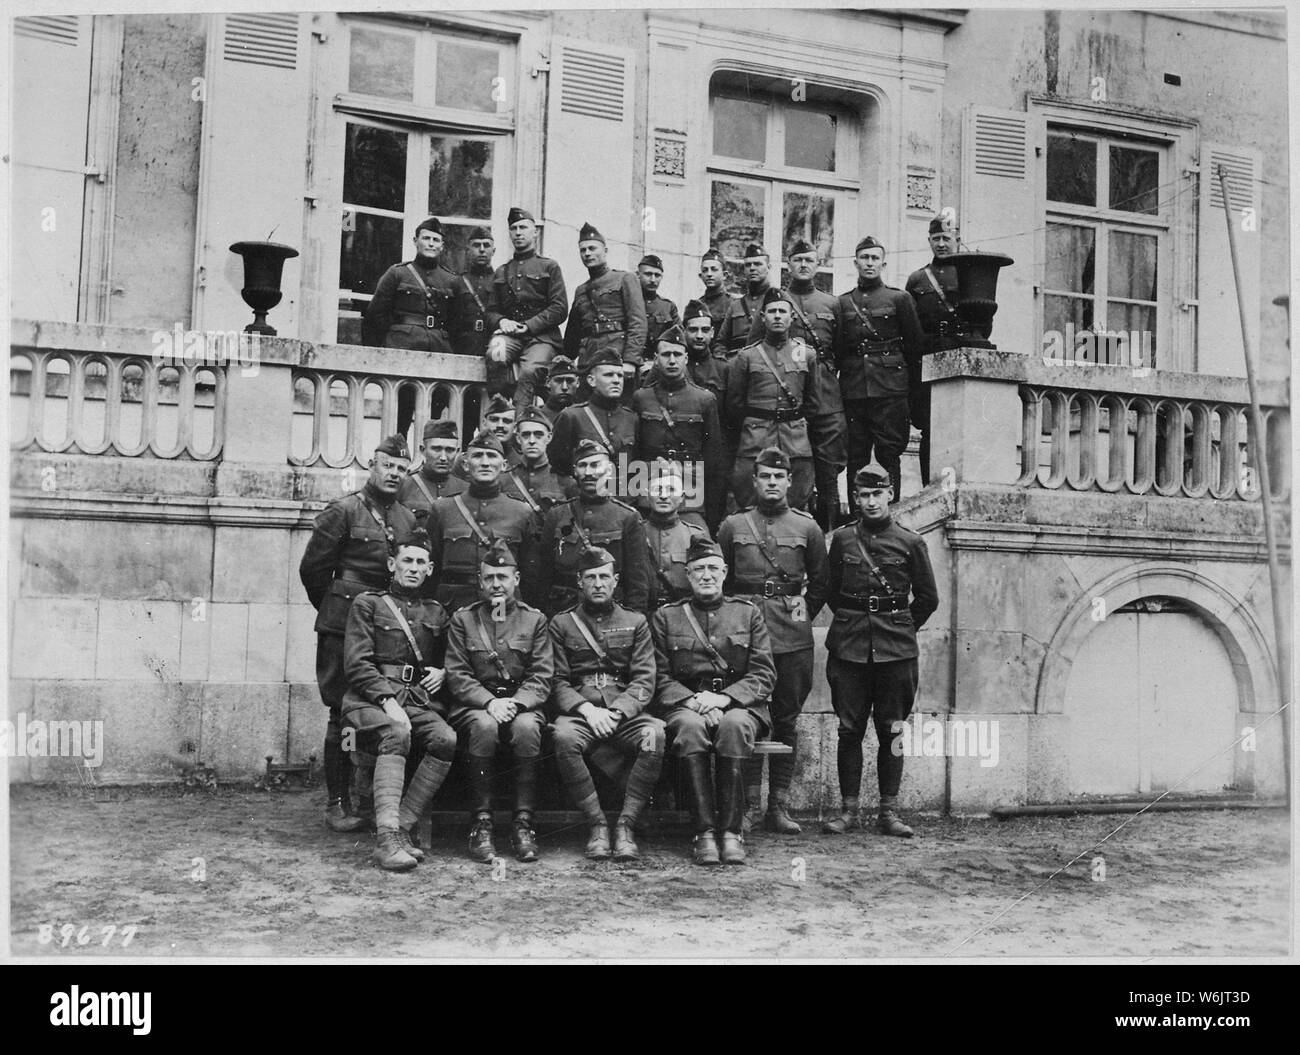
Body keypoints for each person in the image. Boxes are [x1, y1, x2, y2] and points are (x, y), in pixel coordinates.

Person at [299, 435, 417, 832]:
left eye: (402, 469)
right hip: (340, 623)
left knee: (377, 706)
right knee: (341, 710)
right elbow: (313, 571)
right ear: (373, 464)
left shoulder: (406, 518)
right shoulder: (344, 510)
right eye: (388, 466)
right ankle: (337, 801)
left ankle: (369, 796)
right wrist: (337, 609)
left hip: (384, 625)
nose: (394, 474)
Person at [823, 461, 938, 838]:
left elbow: (927, 598)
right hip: (849, 648)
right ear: (855, 498)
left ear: (891, 494)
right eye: (863, 495)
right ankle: (848, 812)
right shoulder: (842, 540)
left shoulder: (910, 542)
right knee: (848, 730)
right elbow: (830, 589)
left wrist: (899, 627)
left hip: (896, 652)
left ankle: (888, 812)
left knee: (892, 731)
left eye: (877, 494)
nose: (871, 502)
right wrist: (855, 621)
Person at [716, 447, 828, 834]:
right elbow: (723, 582)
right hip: (742, 638)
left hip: (791, 639)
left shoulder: (807, 528)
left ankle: (777, 806)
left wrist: (798, 618)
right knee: (745, 717)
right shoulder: (733, 526)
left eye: (779, 477)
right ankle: (747, 806)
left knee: (786, 721)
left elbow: (820, 583)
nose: (772, 483)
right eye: (765, 476)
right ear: (755, 480)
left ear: (790, 482)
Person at [650, 536, 776, 866]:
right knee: (689, 729)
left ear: (724, 572)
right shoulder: (666, 617)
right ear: (687, 576)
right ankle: (703, 832)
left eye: (712, 569)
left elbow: (764, 673)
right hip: (687, 706)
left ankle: (731, 832)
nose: (706, 576)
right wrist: (691, 701)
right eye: (698, 570)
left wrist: (723, 700)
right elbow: (658, 676)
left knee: (734, 727)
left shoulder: (748, 614)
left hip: (738, 706)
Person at [341, 527, 453, 871]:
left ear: (430, 569)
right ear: (393, 563)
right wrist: (388, 701)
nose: (414, 568)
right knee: (396, 732)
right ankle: (386, 839)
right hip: (368, 701)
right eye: (407, 560)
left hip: (416, 699)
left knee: (445, 739)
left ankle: (401, 828)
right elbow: (356, 664)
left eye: (421, 562)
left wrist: (444, 672)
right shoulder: (368, 604)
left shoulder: (436, 612)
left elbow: (455, 657)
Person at [549, 547, 663, 862]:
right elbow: (556, 681)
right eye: (591, 577)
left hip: (623, 714)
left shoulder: (636, 622)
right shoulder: (561, 624)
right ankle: (597, 824)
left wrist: (617, 712)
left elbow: (644, 680)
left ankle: (626, 824)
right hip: (581, 714)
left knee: (655, 735)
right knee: (563, 737)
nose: (598, 583)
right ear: (579, 582)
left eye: (604, 577)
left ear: (615, 581)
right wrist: (588, 710)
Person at [445, 540, 554, 863]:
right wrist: (488, 701)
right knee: (482, 726)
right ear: (480, 581)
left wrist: (518, 703)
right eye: (489, 577)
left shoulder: (534, 620)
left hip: (522, 704)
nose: (496, 584)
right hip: (476, 705)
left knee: (526, 729)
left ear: (516, 579)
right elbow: (457, 673)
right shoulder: (463, 620)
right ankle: (482, 822)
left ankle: (523, 822)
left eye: (503, 577)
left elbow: (542, 674)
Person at [748, 240, 847, 531]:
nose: (803, 265)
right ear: (787, 264)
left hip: (826, 400)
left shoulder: (832, 304)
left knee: (828, 471)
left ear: (817, 264)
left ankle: (827, 536)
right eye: (797, 260)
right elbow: (756, 345)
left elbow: (841, 351)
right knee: (786, 467)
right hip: (789, 403)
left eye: (809, 260)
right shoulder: (775, 302)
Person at [834, 235, 924, 502]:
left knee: (889, 453)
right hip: (854, 390)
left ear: (883, 263)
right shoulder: (842, 303)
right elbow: (839, 351)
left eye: (874, 258)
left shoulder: (900, 299)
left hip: (891, 390)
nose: (869, 263)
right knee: (856, 455)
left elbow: (915, 348)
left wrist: (912, 394)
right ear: (855, 262)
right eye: (864, 258)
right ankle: (855, 514)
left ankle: (890, 512)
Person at [362, 218, 461, 434]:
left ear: (442, 246)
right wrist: (383, 349)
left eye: (436, 240)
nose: (431, 244)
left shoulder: (452, 280)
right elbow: (375, 315)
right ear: (415, 241)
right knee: (401, 411)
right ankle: (399, 453)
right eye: (426, 238)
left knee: (436, 408)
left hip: (439, 350)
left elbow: (458, 322)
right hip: (403, 348)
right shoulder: (397, 273)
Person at [725, 287, 819, 511]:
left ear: (792, 317)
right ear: (762, 317)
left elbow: (813, 403)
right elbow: (734, 406)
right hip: (755, 439)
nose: (777, 316)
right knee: (749, 501)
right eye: (772, 311)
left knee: (795, 503)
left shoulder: (806, 354)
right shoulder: (746, 357)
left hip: (795, 442)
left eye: (782, 311)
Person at [426, 429, 537, 612]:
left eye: (492, 456)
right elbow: (432, 568)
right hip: (453, 606)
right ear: (465, 464)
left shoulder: (521, 512)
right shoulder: (443, 509)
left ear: (504, 465)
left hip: (501, 607)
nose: (485, 463)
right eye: (477, 456)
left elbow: (530, 575)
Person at [538, 438, 651, 616]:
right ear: (574, 471)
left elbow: (638, 581)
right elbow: (543, 575)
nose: (589, 472)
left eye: (595, 465)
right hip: (564, 613)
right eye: (582, 465)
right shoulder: (557, 515)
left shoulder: (628, 517)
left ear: (609, 470)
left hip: (611, 613)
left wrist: (633, 621)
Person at [631, 324, 725, 531]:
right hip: (649, 493)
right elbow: (633, 452)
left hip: (690, 496)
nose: (672, 360)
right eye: (666, 354)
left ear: (686, 358)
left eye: (677, 354)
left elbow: (713, 459)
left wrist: (711, 512)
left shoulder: (704, 399)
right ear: (656, 359)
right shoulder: (641, 398)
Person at [484, 206, 568, 414]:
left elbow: (560, 308)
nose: (518, 232)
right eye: (514, 229)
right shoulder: (502, 271)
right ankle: (500, 412)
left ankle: (520, 422)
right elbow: (491, 311)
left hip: (542, 338)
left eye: (523, 227)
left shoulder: (549, 267)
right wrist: (501, 322)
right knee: (495, 352)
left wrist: (528, 326)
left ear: (535, 232)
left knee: (529, 371)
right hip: (510, 337)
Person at [905, 213, 963, 485]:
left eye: (946, 238)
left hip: (956, 354)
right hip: (926, 358)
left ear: (957, 240)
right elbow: (909, 324)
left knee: (957, 425)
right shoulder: (917, 280)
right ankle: (930, 486)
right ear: (929, 241)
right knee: (929, 428)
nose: (941, 244)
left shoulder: (968, 273)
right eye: (936, 238)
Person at [564, 222, 647, 394]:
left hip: (617, 358)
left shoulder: (625, 279)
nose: (587, 253)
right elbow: (573, 334)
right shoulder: (581, 290)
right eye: (583, 250)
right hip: (588, 361)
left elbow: (638, 322)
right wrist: (564, 361)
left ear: (605, 251)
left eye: (592, 248)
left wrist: (630, 360)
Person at [547, 349, 637, 482]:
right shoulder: (572, 416)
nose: (616, 381)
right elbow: (557, 467)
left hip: (623, 497)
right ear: (591, 380)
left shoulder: (631, 418)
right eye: (609, 375)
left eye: (619, 375)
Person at [643, 461, 711, 610]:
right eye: (657, 489)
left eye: (671, 489)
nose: (664, 496)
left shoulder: (695, 534)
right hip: (644, 613)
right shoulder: (636, 533)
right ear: (647, 495)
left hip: (683, 615)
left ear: (682, 497)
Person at [500, 406, 576, 518]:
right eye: (526, 435)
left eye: (538, 435)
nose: (532, 441)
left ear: (549, 437)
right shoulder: (504, 479)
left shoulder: (565, 481)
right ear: (518, 438)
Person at [397, 418, 465, 522]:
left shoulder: (466, 489)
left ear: (458, 452)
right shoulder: (404, 487)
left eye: (449, 450)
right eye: (436, 449)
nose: (443, 457)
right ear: (423, 450)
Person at [716, 244, 773, 352]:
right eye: (748, 265)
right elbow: (721, 343)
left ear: (768, 267)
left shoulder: (778, 301)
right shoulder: (736, 305)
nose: (752, 268)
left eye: (757, 264)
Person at [453, 225, 496, 362]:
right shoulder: (458, 282)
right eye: (477, 245)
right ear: (468, 250)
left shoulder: (501, 282)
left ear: (493, 251)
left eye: (486, 245)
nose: (482, 250)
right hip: (462, 345)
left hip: (492, 346)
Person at [637, 254, 680, 367]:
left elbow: (677, 338)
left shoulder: (668, 306)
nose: (653, 280)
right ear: (638, 275)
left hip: (659, 365)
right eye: (648, 274)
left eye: (657, 275)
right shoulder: (628, 302)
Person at [695, 248, 735, 347]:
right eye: (705, 270)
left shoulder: (734, 304)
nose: (709, 274)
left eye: (714, 269)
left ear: (724, 275)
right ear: (701, 276)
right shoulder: (696, 305)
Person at [539, 355, 579, 427]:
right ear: (548, 382)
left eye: (570, 381)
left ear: (578, 382)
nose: (564, 387)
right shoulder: (538, 419)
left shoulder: (585, 416)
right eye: (558, 381)